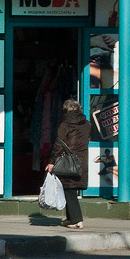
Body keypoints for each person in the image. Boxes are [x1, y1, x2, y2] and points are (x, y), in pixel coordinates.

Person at [46, 98, 90, 229]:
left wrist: (51, 162)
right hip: (81, 160)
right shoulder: (87, 124)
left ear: (65, 110)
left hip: (67, 160)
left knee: (69, 189)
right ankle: (70, 219)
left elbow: (59, 144)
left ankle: (77, 219)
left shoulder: (65, 124)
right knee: (70, 188)